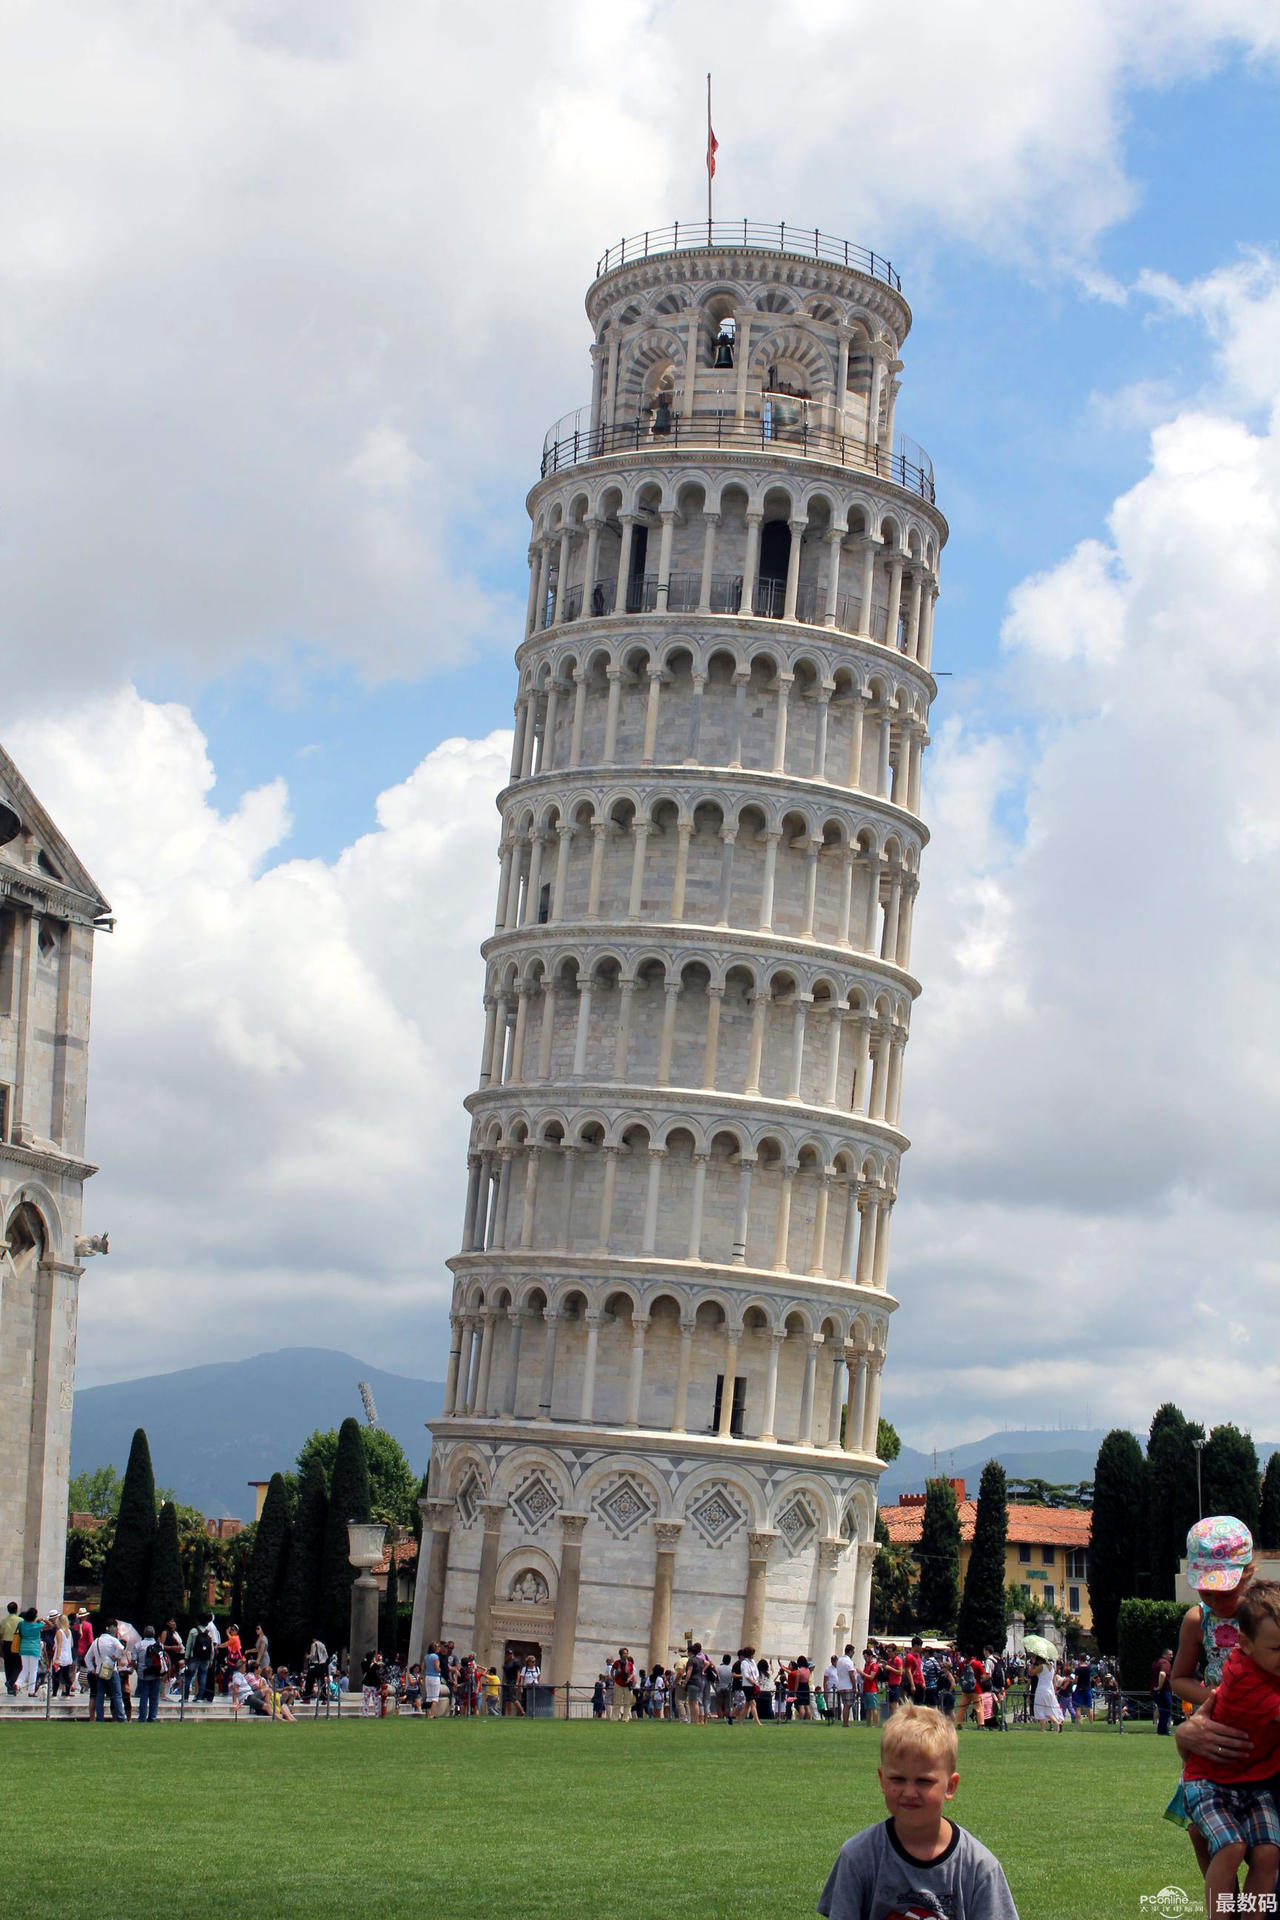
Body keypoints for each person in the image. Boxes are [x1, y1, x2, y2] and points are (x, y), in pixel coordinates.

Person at [817, 1702, 1020, 1919]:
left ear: (950, 1787)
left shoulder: (978, 1867)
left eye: (924, 1781)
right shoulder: (858, 1857)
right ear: (882, 1780)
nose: (910, 1792)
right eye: (897, 1779)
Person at [1181, 1580, 1280, 1918]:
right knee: (1230, 1845)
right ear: (1246, 1645)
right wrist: (1186, 1735)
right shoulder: (1247, 1678)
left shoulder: (1264, 1662)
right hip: (1216, 1781)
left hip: (1252, 1780)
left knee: (1267, 1855)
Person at [89, 1621, 127, 1721]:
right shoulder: (113, 1640)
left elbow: (87, 1658)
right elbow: (121, 1648)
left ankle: (100, 1717)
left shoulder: (96, 1641)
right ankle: (120, 1717)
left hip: (99, 1670)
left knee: (100, 1695)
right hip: (111, 1669)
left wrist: (92, 1669)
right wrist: (116, 1657)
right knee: (117, 1694)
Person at [135, 1626, 168, 1721]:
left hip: (143, 1674)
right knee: (154, 1697)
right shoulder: (159, 1645)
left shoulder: (138, 1645)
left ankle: (142, 1717)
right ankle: (152, 1717)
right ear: (154, 1634)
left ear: (144, 1634)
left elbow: (134, 1660)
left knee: (143, 1697)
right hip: (156, 1674)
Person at [1029, 1656, 1062, 1730]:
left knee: (1039, 1708)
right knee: (1048, 1709)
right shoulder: (1052, 1667)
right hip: (1050, 1689)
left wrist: (1033, 1664)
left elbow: (1031, 1673)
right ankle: (1057, 1723)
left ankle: (1043, 1728)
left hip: (1042, 1689)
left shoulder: (1042, 1667)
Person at [16, 1607, 43, 1695]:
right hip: (34, 1649)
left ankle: (18, 1683)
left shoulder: (21, 1624)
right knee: (33, 1670)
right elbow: (51, 1626)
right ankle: (31, 1691)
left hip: (23, 1648)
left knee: (25, 1669)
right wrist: (43, 1620)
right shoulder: (38, 1625)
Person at [1151, 1646, 1176, 1735]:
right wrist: (1160, 1687)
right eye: (1170, 1654)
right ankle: (1163, 1731)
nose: (1171, 1656)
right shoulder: (1165, 1662)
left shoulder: (1156, 1662)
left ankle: (1161, 1731)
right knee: (1166, 1711)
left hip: (1156, 1692)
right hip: (1163, 1691)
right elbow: (1162, 1674)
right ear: (1164, 1655)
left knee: (1162, 1711)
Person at [835, 1645, 858, 1727]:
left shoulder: (839, 1660)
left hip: (840, 1685)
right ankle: (845, 1723)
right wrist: (854, 1686)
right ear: (850, 1651)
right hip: (848, 1685)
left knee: (845, 1705)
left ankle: (845, 1721)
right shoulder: (849, 1661)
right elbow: (851, 1675)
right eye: (853, 1652)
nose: (853, 1653)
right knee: (847, 1706)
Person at [609, 1647, 634, 1721]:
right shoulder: (617, 1662)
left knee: (627, 1702)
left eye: (627, 1653)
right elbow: (612, 1670)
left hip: (627, 1684)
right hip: (618, 1684)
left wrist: (629, 1678)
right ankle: (614, 1718)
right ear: (620, 1654)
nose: (626, 1655)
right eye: (624, 1653)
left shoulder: (629, 1663)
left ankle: (626, 1718)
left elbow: (632, 1673)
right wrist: (614, 1679)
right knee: (617, 1701)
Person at [2, 1603, 20, 1696]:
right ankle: (11, 1683)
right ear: (16, 1610)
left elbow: (0, 1634)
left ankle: (10, 1687)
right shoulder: (20, 1620)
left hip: (6, 1644)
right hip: (16, 1644)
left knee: (8, 1666)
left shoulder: (4, 1621)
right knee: (18, 1666)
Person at [861, 1649, 881, 1728]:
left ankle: (875, 1724)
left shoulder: (874, 1665)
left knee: (873, 1707)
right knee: (867, 1708)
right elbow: (864, 1677)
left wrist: (862, 1673)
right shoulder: (866, 1665)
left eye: (866, 1656)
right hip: (866, 1688)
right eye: (864, 1657)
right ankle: (868, 1724)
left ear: (870, 1656)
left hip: (872, 1689)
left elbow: (871, 1677)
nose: (865, 1658)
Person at [422, 1643, 442, 1718]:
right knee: (435, 1697)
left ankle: (428, 1714)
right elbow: (437, 1668)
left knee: (429, 1697)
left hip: (428, 1676)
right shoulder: (435, 1657)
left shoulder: (426, 1656)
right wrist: (440, 1670)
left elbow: (423, 1666)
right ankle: (432, 1714)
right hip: (435, 1677)